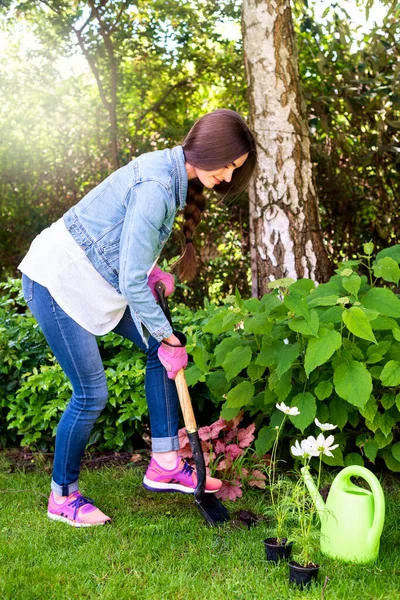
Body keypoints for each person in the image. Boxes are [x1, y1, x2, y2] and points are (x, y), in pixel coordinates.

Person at [18, 108, 257, 527]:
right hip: (59, 280)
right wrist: (166, 334)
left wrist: (152, 274)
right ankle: (62, 496)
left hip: (94, 276)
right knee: (92, 394)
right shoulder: (157, 185)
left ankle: (164, 462)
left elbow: (126, 247)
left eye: (233, 171)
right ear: (208, 150)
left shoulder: (173, 175)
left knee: (157, 346)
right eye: (226, 166)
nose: (225, 178)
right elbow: (129, 277)